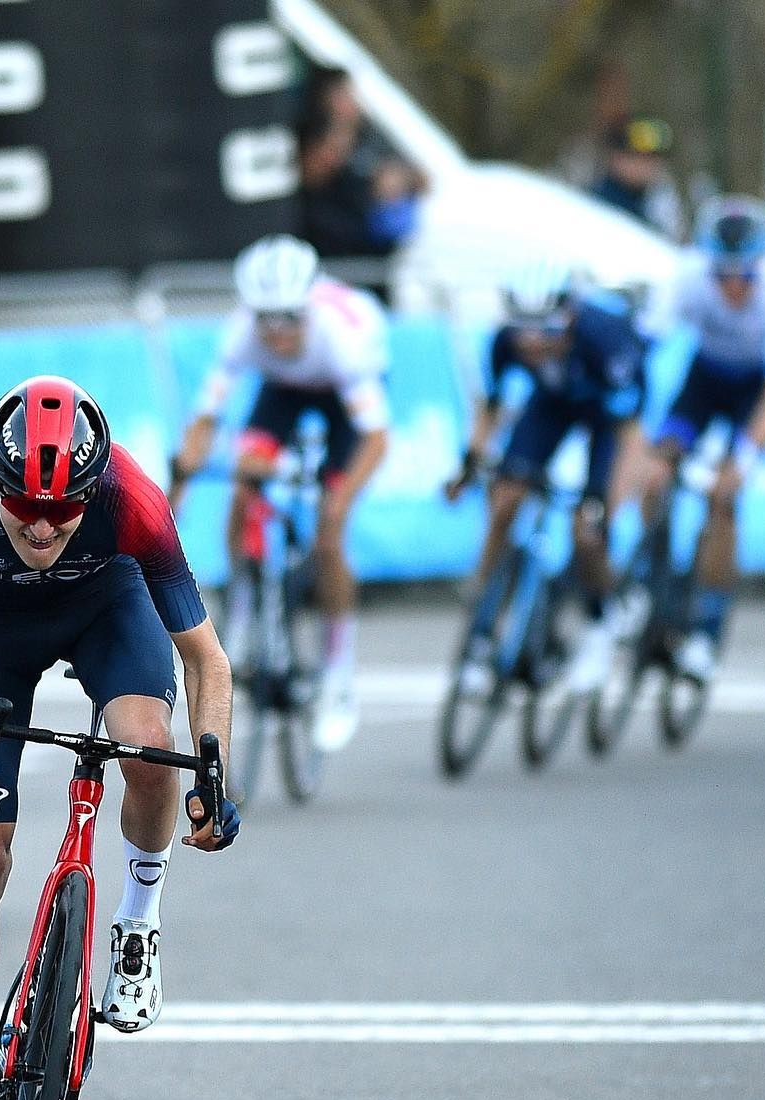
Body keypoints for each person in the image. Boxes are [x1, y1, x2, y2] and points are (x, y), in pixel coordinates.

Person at [0, 376, 239, 1100]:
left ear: (93, 487)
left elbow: (205, 659)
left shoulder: (136, 502)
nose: (42, 528)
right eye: (24, 510)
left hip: (105, 612)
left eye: (63, 511)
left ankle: (136, 926)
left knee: (149, 749)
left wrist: (214, 763)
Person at [169, 234, 389, 754]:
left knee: (332, 532)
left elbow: (377, 440)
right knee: (245, 479)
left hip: (343, 395)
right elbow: (205, 420)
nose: (277, 331)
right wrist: (177, 486)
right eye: (266, 318)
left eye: (288, 317)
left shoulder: (342, 338)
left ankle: (339, 669)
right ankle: (242, 608)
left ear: (308, 305)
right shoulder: (243, 334)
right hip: (283, 392)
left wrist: (340, 501)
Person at [446, 258, 647, 696]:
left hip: (607, 418)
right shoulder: (505, 342)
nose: (533, 343)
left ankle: (600, 618)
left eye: (547, 332)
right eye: (525, 332)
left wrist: (605, 509)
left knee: (588, 531)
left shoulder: (607, 338)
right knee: (505, 497)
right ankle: (482, 622)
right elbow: (491, 409)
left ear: (570, 317)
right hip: (551, 404)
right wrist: (469, 464)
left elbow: (631, 441)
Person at [637, 195, 765, 681]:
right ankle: (645, 584)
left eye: (745, 274)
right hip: (704, 381)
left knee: (723, 499)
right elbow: (643, 351)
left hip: (756, 391)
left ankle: (707, 632)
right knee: (655, 474)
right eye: (724, 274)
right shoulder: (686, 274)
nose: (734, 285)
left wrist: (741, 459)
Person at [295, 65, 424, 299]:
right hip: (332, 269)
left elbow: (423, 176)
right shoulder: (311, 132)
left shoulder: (370, 140)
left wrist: (396, 182)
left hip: (371, 271)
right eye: (343, 93)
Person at [590, 115, 684, 241]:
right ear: (617, 157)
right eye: (640, 157)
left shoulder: (654, 206)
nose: (649, 165)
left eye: (654, 157)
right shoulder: (594, 206)